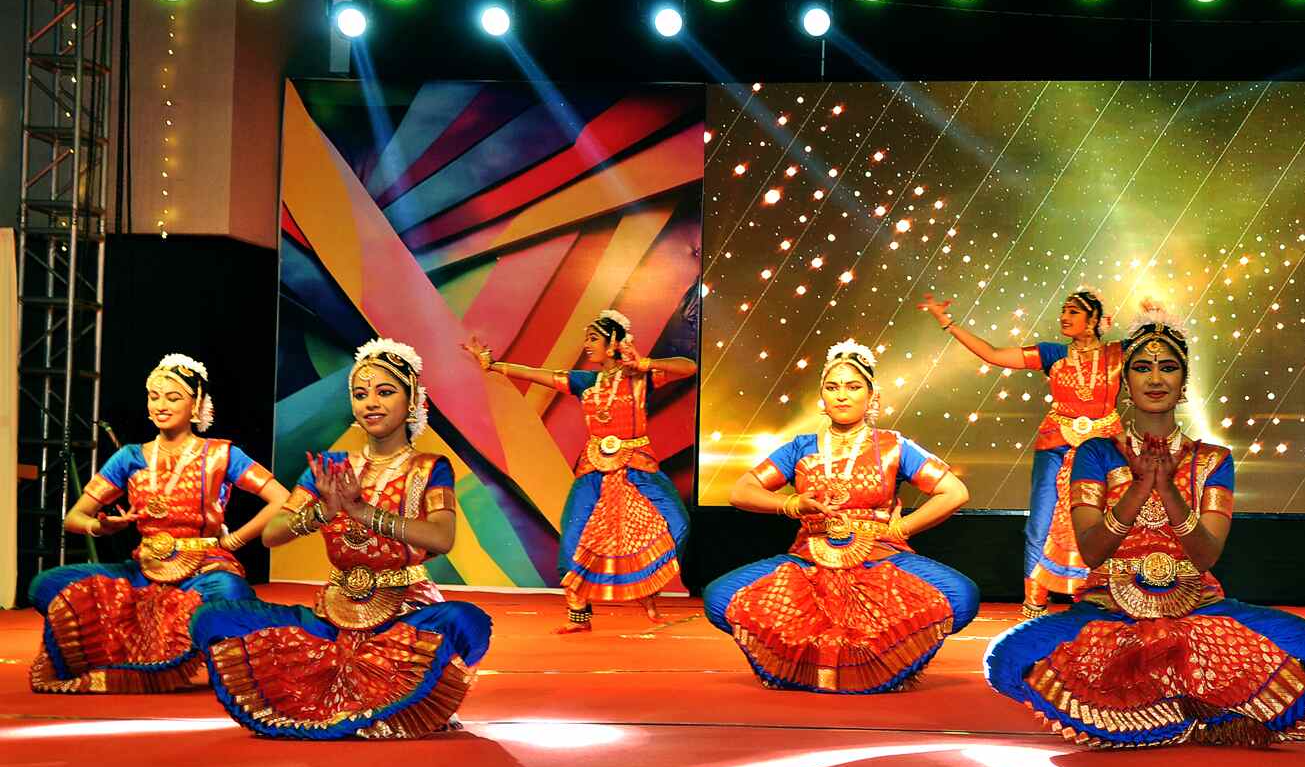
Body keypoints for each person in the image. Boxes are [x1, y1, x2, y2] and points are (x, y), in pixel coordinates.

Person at [984, 302, 1305, 747]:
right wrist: (1139, 488)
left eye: (1168, 367)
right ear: (1125, 381)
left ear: (1183, 381)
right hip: (1108, 610)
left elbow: (1206, 555)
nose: (1155, 378)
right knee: (1005, 660)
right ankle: (1188, 707)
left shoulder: (1213, 460)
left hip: (1198, 608)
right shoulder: (1095, 454)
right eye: (1142, 368)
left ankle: (1149, 710)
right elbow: (1092, 551)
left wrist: (1168, 488)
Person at [190, 339, 492, 739]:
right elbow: (272, 534)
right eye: (360, 394)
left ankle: (397, 692)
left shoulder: (429, 468)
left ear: (412, 400)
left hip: (406, 613)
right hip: (334, 616)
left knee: (464, 622)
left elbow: (441, 537)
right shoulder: (329, 466)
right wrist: (323, 513)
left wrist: (365, 513)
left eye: (385, 392)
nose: (371, 403)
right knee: (214, 618)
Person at [702, 340, 979, 693]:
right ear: (822, 396)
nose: (842, 396)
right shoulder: (801, 447)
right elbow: (741, 491)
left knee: (961, 595)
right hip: (810, 558)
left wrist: (900, 528)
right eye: (832, 388)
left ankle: (885, 666)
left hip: (878, 556)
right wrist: (792, 504)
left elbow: (954, 492)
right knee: (720, 597)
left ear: (872, 395)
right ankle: (803, 667)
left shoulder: (893, 445)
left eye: (853, 387)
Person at [28, 354, 288, 694]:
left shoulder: (220, 454)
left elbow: (281, 499)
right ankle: (113, 659)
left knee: (229, 594)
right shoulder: (130, 457)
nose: (161, 405)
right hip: (143, 570)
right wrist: (100, 527)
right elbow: (74, 517)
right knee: (48, 584)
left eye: (173, 397)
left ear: (196, 405)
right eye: (154, 396)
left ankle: (205, 658)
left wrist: (235, 540)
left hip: (204, 568)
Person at [464, 310, 694, 628]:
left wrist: (646, 363)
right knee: (574, 535)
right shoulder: (586, 382)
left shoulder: (641, 378)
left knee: (677, 523)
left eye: (593, 339)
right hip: (593, 469)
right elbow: (537, 374)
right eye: (587, 339)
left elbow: (689, 367)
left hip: (638, 465)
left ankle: (645, 587)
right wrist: (493, 365)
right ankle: (579, 614)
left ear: (614, 343)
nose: (587, 345)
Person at [919, 288, 1123, 616]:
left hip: (1102, 450)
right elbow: (992, 354)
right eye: (1063, 310)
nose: (1064, 317)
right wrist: (947, 323)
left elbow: (1163, 350)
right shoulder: (1052, 353)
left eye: (1073, 311)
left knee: (1103, 522)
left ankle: (1099, 597)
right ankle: (1034, 604)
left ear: (1093, 319)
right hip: (1055, 445)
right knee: (1039, 524)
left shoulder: (1117, 354)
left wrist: (1156, 319)